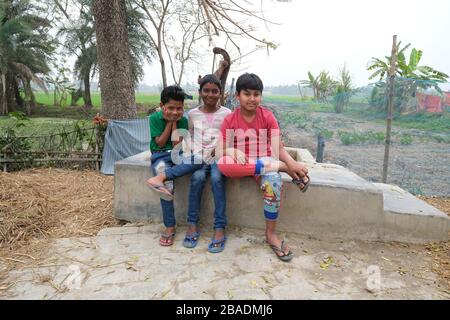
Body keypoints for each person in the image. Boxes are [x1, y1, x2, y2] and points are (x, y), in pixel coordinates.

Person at [216, 73, 310, 262]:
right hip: (244, 163)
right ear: (237, 96)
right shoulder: (230, 120)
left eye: (256, 94)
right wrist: (232, 150)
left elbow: (277, 147)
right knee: (222, 164)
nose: (252, 99)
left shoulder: (267, 116)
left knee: (273, 181)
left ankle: (270, 233)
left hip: (265, 159)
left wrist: (292, 163)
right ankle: (279, 167)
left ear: (261, 96)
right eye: (247, 94)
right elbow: (220, 150)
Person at [146, 85, 202, 246]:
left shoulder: (183, 120)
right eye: (170, 108)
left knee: (198, 160)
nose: (175, 112)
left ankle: (159, 178)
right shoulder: (155, 118)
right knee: (167, 188)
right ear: (162, 106)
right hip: (160, 156)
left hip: (177, 154)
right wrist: (170, 123)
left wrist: (175, 122)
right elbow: (161, 142)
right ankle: (170, 226)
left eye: (179, 108)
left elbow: (177, 143)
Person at [185, 74, 231, 252]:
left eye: (214, 91)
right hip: (198, 160)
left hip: (218, 159)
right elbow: (189, 136)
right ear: (200, 92)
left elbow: (230, 138)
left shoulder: (227, 114)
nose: (210, 95)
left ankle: (219, 227)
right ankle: (192, 224)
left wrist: (220, 150)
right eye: (206, 90)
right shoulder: (193, 114)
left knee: (217, 179)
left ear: (221, 93)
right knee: (196, 179)